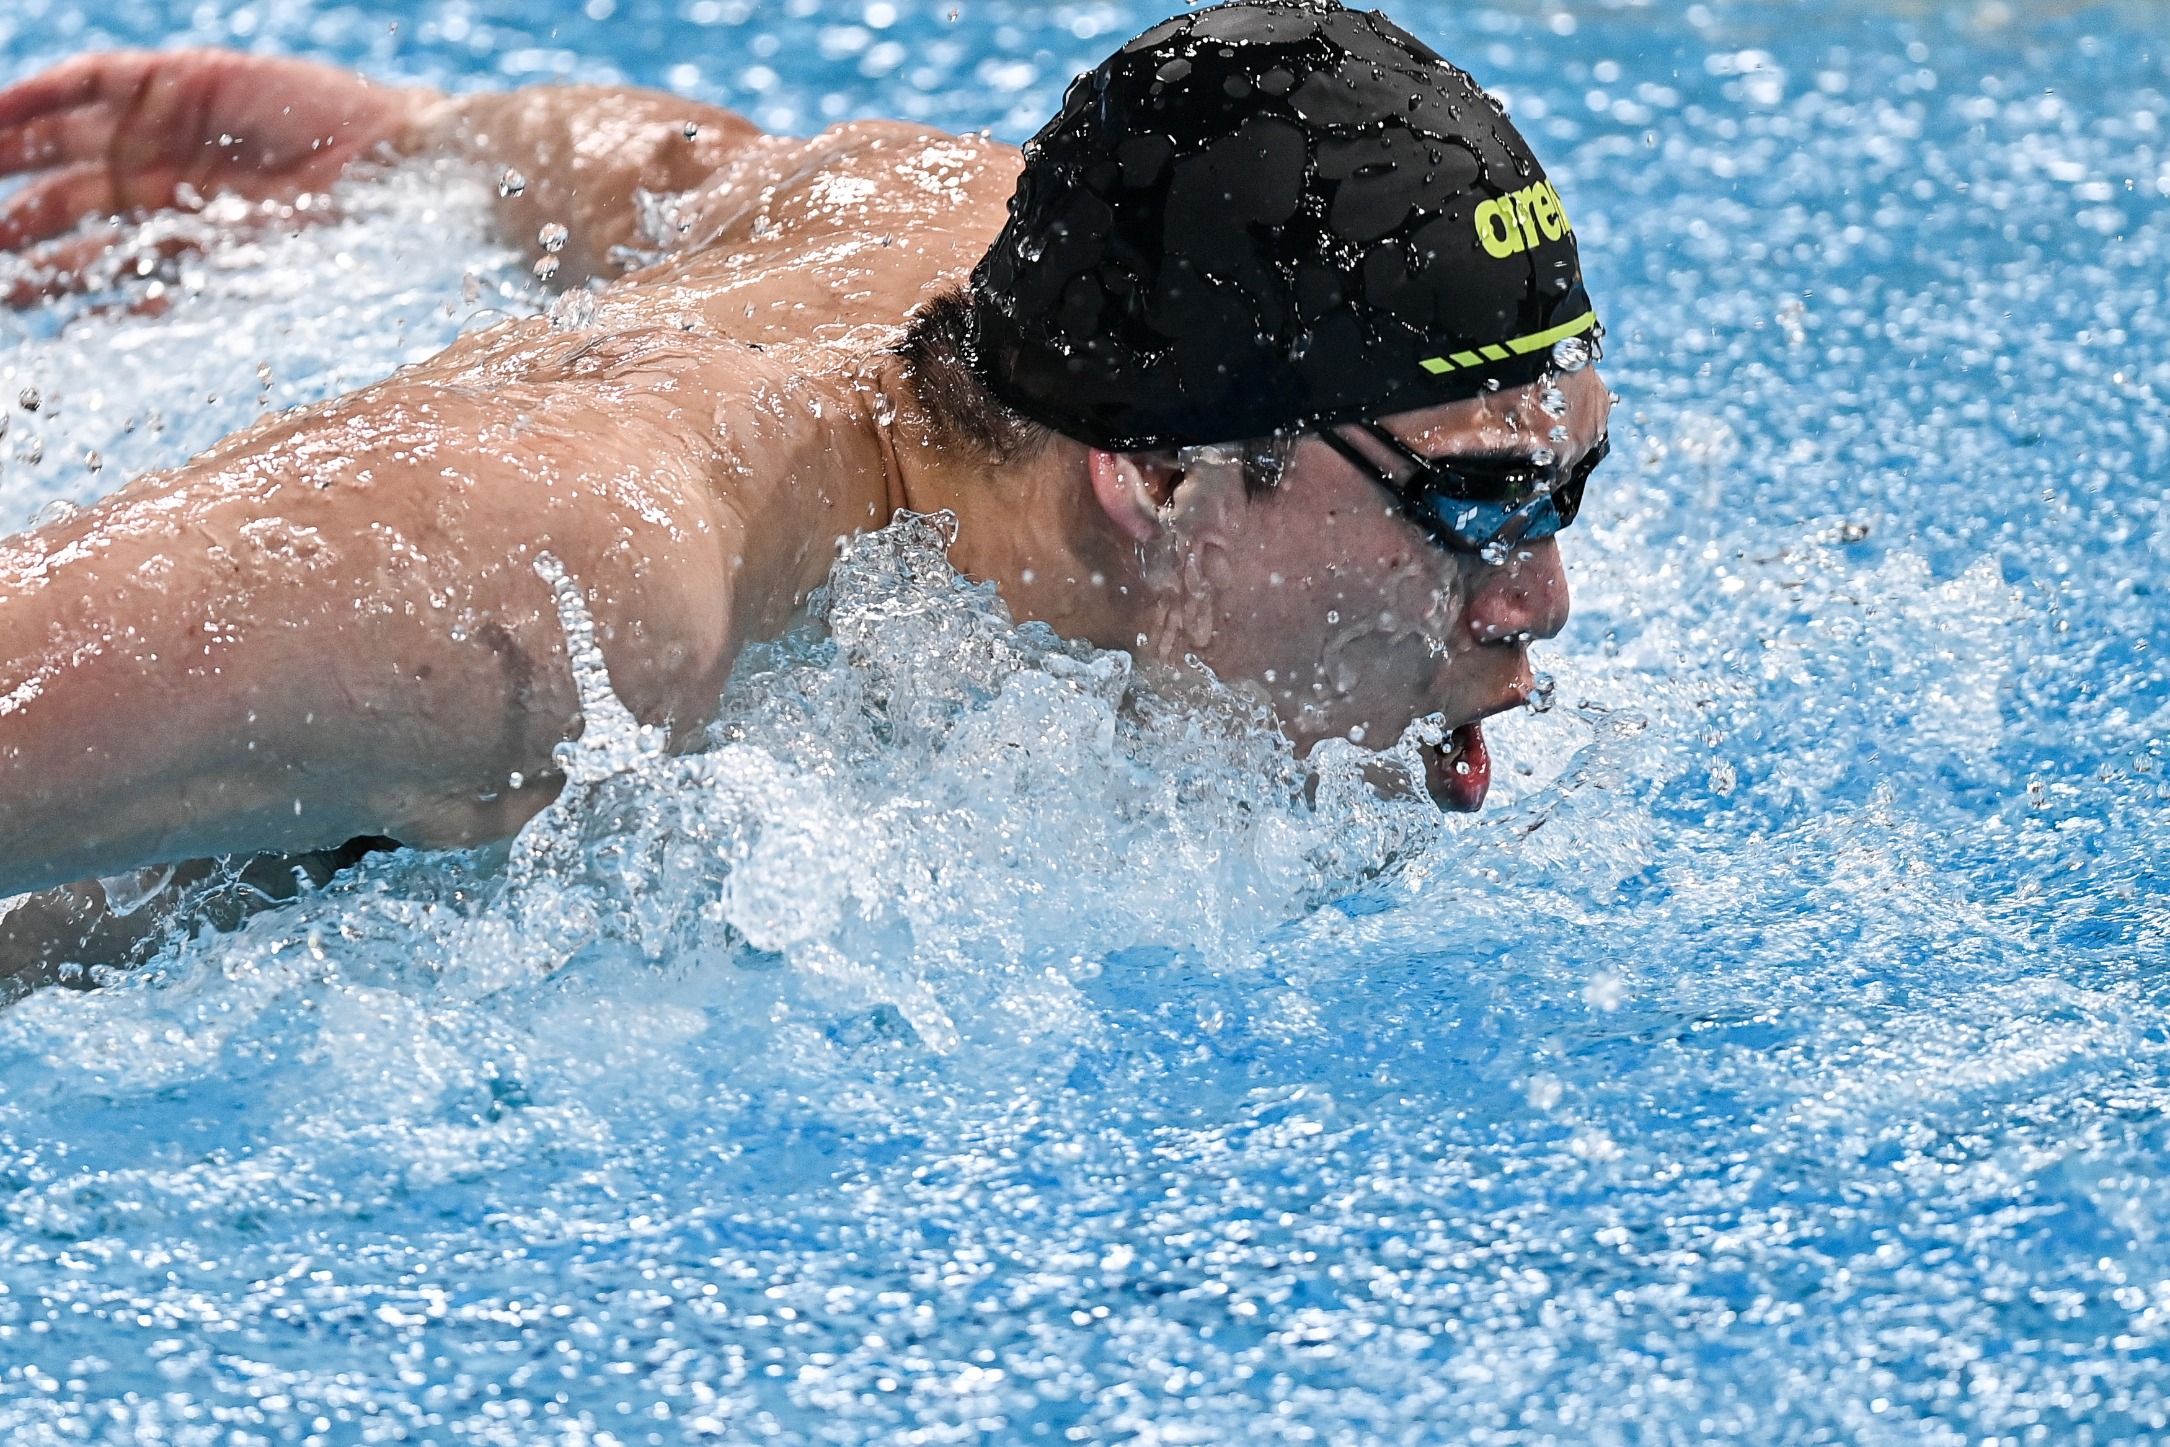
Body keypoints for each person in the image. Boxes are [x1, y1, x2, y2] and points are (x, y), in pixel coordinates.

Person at [0, 0, 1610, 989]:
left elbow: (678, 167)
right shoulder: (562, 599)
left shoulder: (980, 231)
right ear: (1157, 474)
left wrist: (417, 148)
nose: (1534, 598)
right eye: (1476, 503)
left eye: (1567, 487)